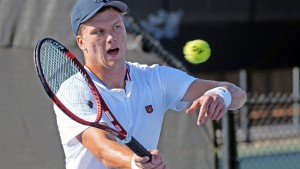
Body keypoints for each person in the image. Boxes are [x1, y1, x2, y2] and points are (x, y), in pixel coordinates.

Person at [54, 0, 247, 168]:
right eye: (99, 32)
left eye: (116, 27)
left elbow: (238, 95)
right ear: (81, 42)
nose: (111, 37)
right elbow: (101, 147)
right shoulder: (73, 91)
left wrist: (221, 95)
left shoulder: (156, 78)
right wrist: (133, 162)